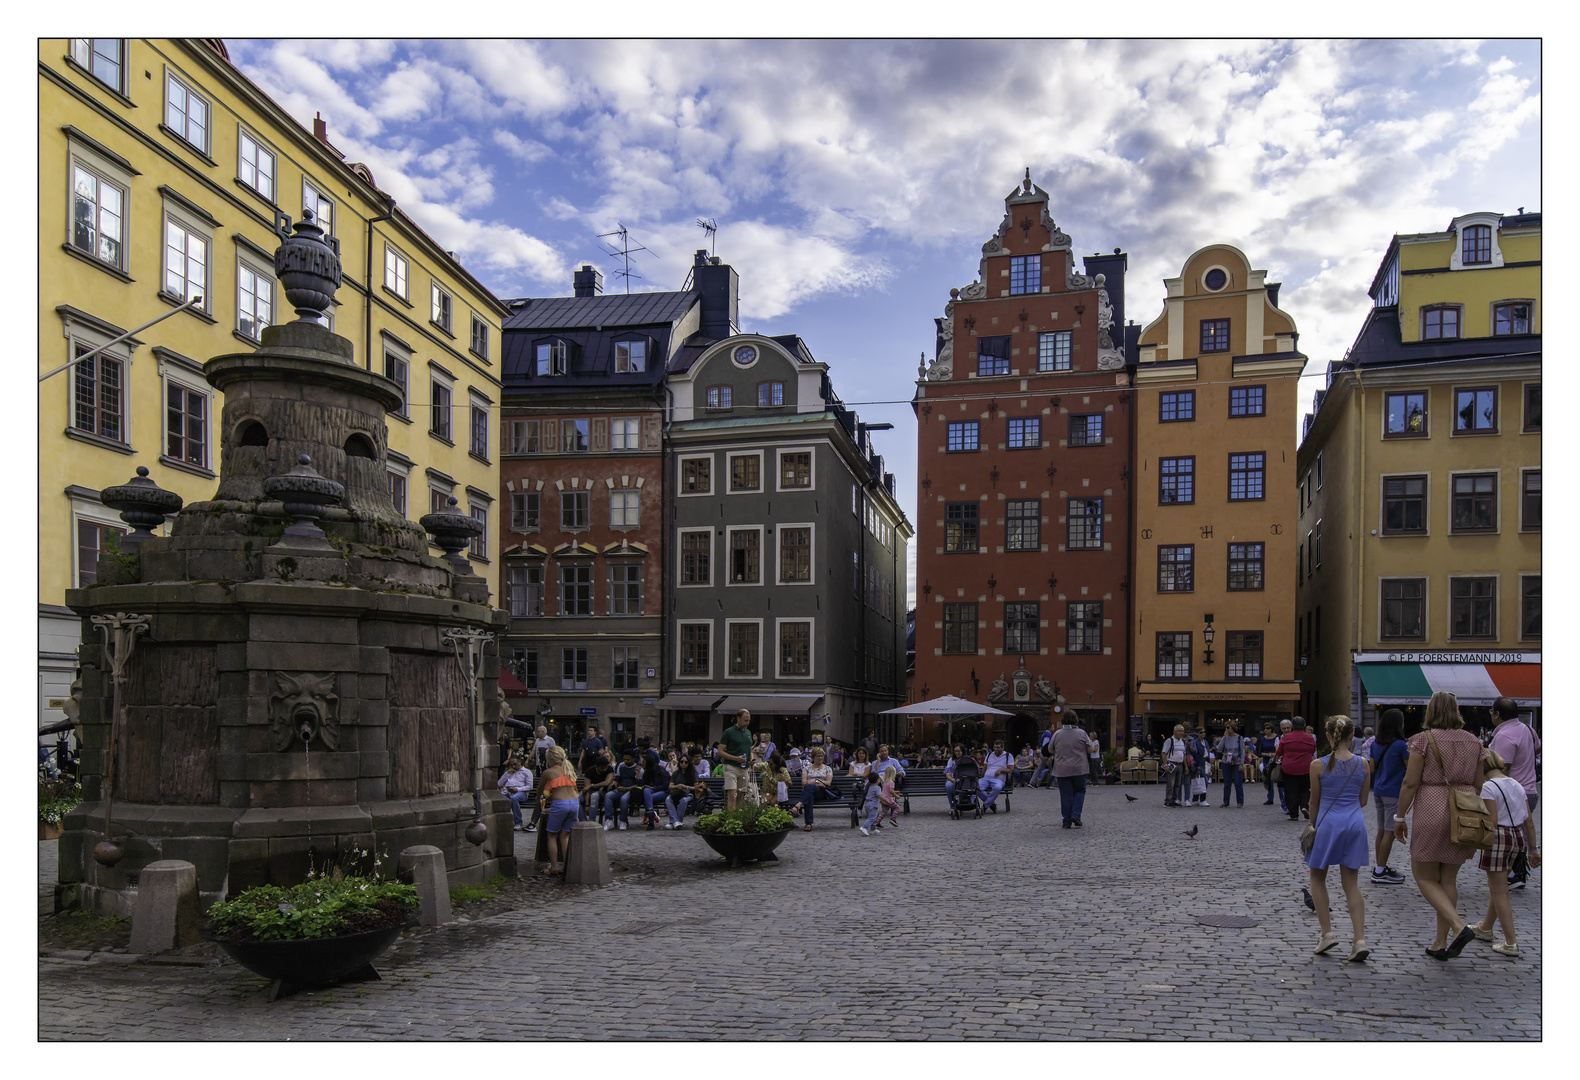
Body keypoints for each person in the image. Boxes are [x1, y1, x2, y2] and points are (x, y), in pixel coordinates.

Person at [1393, 691, 1488, 961]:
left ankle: (1457, 928)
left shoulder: (1423, 740)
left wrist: (1400, 817)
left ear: (1430, 711)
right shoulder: (1475, 742)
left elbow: (1410, 783)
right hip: (1464, 809)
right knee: (1448, 879)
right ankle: (1439, 941)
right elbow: (1478, 783)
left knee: (1423, 876)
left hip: (1432, 806)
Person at [1304, 716, 1372, 961]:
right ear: (1352, 736)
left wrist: (1312, 826)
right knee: (1351, 883)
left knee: (1317, 876)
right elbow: (1363, 801)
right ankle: (1360, 939)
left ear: (1328, 736)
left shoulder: (1318, 765)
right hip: (1354, 822)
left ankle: (1327, 933)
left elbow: (1314, 802)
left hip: (1328, 822)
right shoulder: (1363, 764)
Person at [1469, 750, 1539, 957]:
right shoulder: (1516, 784)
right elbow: (1529, 821)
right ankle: (1485, 928)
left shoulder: (1489, 787)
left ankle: (1510, 942)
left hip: (1498, 837)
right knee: (1497, 886)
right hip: (1517, 836)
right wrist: (1533, 849)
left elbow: (1491, 820)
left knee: (1499, 891)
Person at [1486, 697, 1540, 889]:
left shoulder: (1504, 736)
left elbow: (1501, 769)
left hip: (1514, 793)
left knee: (1507, 834)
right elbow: (1537, 748)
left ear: (1498, 714)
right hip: (1530, 789)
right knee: (1519, 832)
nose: (1491, 715)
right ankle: (1516, 873)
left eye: (1492, 712)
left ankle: (1511, 874)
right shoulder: (1528, 730)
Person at [1367, 709, 1409, 885]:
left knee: (1382, 830)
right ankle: (1380, 871)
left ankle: (1379, 866)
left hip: (1378, 790)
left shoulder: (1375, 744)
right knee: (1390, 832)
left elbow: (1371, 768)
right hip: (1393, 791)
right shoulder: (1401, 745)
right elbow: (1410, 768)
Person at [538, 747, 580, 875]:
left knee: (552, 835)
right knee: (565, 835)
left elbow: (540, 789)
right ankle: (567, 866)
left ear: (550, 760)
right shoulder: (569, 770)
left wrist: (538, 797)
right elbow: (565, 789)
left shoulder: (548, 772)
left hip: (560, 805)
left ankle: (554, 868)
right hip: (574, 803)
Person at [1051, 715, 1090, 828]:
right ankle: (1076, 815)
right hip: (1079, 768)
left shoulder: (1057, 734)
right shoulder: (1082, 733)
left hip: (1062, 769)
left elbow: (1050, 749)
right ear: (1076, 720)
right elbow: (1089, 748)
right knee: (1080, 791)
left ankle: (1066, 821)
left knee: (1066, 794)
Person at [1276, 718, 1317, 822]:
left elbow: (1279, 752)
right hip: (1305, 767)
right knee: (1305, 788)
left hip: (1289, 767)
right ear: (1304, 725)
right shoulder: (1310, 737)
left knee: (1290, 790)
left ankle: (1293, 814)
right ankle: (1304, 806)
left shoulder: (1286, 737)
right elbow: (1313, 750)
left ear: (1293, 725)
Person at [717, 709, 754, 811]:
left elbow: (749, 748)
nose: (747, 723)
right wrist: (735, 758)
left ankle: (737, 818)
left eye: (749, 720)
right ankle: (731, 820)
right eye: (745, 720)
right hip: (731, 767)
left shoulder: (748, 732)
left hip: (744, 768)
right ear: (738, 718)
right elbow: (720, 752)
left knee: (740, 796)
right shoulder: (729, 732)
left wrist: (751, 759)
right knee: (732, 795)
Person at [794, 748, 839, 831]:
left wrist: (813, 782)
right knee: (810, 795)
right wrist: (816, 781)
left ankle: (799, 805)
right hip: (810, 792)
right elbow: (804, 783)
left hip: (822, 792)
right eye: (818, 756)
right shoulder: (806, 769)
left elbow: (828, 782)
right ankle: (808, 823)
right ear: (813, 757)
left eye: (822, 756)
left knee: (810, 788)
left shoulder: (827, 769)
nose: (820, 758)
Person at [663, 755, 706, 829]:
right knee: (668, 799)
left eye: (686, 762)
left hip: (688, 794)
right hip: (677, 793)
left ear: (689, 763)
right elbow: (670, 786)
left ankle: (675, 821)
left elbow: (696, 788)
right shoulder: (676, 773)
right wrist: (677, 786)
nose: (683, 763)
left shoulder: (692, 773)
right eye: (681, 762)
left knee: (683, 800)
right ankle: (675, 821)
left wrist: (685, 787)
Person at [603, 748, 642, 830]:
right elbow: (618, 778)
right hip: (621, 788)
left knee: (624, 799)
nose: (626, 761)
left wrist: (626, 788)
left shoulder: (638, 769)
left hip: (631, 790)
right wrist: (614, 783)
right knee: (608, 796)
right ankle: (609, 820)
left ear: (633, 759)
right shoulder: (621, 766)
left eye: (628, 760)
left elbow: (638, 785)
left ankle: (623, 820)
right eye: (624, 759)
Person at [498, 757, 535, 832]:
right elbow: (499, 784)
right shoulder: (509, 772)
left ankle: (518, 822)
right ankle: (501, 821)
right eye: (511, 765)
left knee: (514, 798)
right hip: (507, 792)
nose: (514, 766)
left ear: (520, 762)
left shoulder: (526, 772)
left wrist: (517, 789)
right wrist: (507, 773)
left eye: (515, 764)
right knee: (498, 798)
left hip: (521, 792)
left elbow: (529, 786)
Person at [1216, 721, 1247, 808]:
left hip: (1236, 761)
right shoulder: (1225, 738)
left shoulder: (1239, 738)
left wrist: (1241, 763)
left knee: (1238, 782)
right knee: (1227, 782)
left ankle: (1240, 801)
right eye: (1226, 727)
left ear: (1233, 728)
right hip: (1226, 761)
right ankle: (1226, 801)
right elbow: (1219, 749)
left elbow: (1242, 751)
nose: (1227, 729)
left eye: (1228, 727)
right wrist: (1223, 737)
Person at [581, 748, 615, 823]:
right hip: (589, 792)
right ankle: (583, 820)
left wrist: (592, 785)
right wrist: (587, 805)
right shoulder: (589, 772)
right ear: (597, 766)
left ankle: (591, 821)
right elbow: (587, 789)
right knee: (576, 800)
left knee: (594, 797)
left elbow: (606, 782)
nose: (605, 770)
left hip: (602, 792)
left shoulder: (609, 769)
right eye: (602, 768)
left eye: (606, 767)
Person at [979, 740, 1012, 811]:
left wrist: (1001, 770)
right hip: (986, 778)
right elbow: (985, 767)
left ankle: (985, 806)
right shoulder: (989, 755)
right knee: (977, 787)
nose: (996, 749)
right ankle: (991, 804)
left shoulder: (1008, 756)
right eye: (995, 747)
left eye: (998, 747)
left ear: (1003, 748)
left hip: (998, 779)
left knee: (997, 788)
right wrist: (981, 777)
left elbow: (1010, 770)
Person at [1162, 725, 1190, 808]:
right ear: (1174, 732)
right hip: (1172, 764)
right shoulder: (1170, 741)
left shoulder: (1183, 742)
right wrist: (1165, 765)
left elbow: (1184, 755)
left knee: (1178, 784)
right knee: (1171, 783)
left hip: (1180, 764)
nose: (1181, 732)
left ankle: (1174, 800)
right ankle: (1168, 801)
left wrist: (1186, 766)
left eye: (1182, 731)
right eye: (1179, 731)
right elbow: (1164, 753)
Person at [1255, 722, 1279, 806]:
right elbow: (1259, 752)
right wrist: (1267, 754)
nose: (1266, 730)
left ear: (1272, 729)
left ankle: (1283, 799)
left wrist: (1273, 754)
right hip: (1266, 760)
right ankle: (1270, 798)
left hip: (1275, 760)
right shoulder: (1263, 739)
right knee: (1268, 779)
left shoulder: (1277, 737)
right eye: (1265, 728)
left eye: (1268, 728)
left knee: (1278, 778)